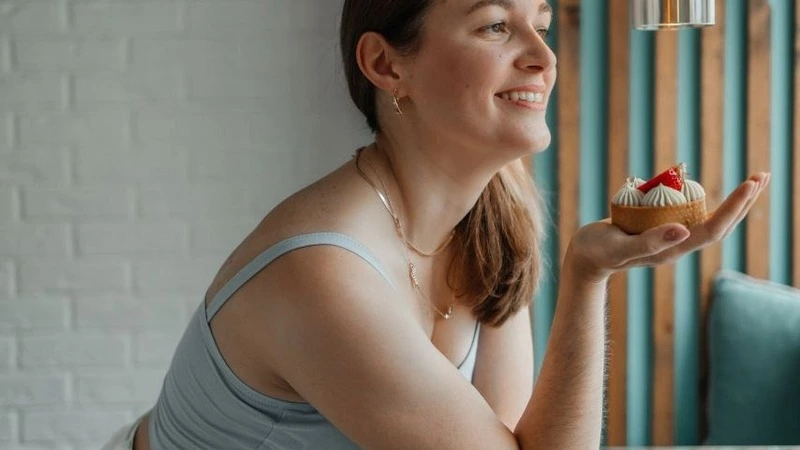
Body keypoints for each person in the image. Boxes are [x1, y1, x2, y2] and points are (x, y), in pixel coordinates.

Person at [104, 0, 770, 448]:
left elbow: (521, 442)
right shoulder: (320, 275)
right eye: (495, 26)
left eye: (541, 22)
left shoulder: (495, 209)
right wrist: (583, 277)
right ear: (386, 65)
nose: (544, 57)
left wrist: (589, 272)